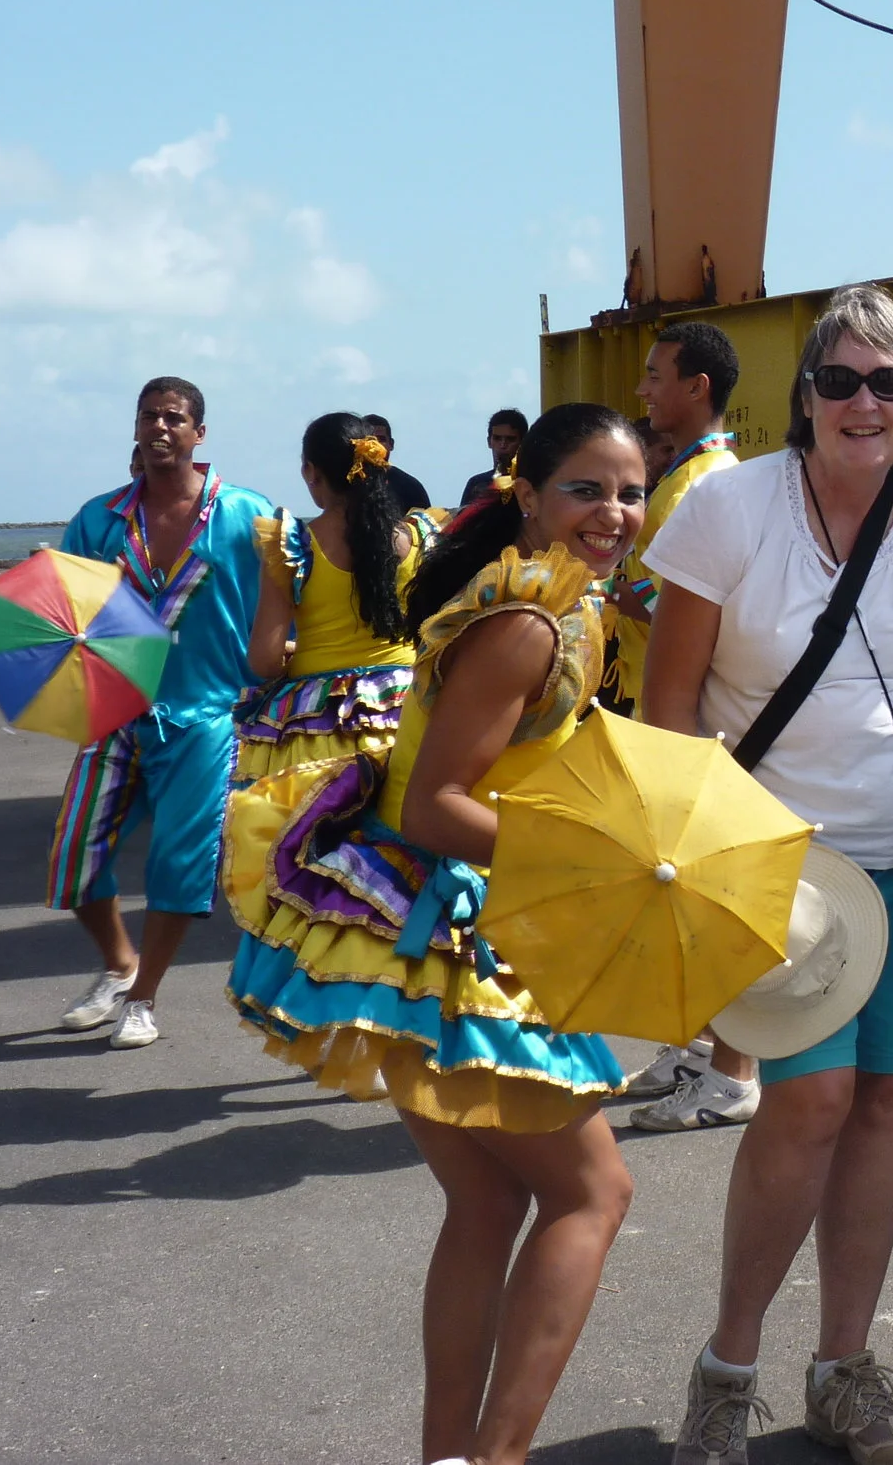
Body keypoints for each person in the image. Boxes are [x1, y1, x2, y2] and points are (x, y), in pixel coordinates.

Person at [222, 403, 646, 1465]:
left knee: (488, 1196)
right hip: (447, 925)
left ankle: (449, 1457)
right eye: (585, 490)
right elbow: (435, 807)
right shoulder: (528, 624)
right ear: (529, 496)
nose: (614, 512)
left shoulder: (542, 600)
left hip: (416, 921)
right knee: (594, 1194)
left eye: (631, 491)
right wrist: (581, 861)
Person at [643, 286, 893, 1465]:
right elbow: (670, 704)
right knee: (811, 1101)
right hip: (776, 871)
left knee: (888, 1100)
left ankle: (842, 1369)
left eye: (890, 383)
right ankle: (727, 1370)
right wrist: (692, 859)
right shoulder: (728, 512)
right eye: (839, 381)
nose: (864, 404)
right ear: (805, 398)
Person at [48, 377, 272, 1050]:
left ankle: (144, 999)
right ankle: (120, 965)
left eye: (175, 418)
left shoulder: (245, 515)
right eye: (150, 416)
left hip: (206, 715)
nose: (161, 427)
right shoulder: (101, 518)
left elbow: (284, 604)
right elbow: (67, 606)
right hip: (115, 707)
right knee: (73, 857)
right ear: (136, 427)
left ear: (199, 432)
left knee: (180, 862)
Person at [611, 322, 761, 1131]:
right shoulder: (692, 476)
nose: (644, 389)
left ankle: (732, 1070)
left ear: (697, 385)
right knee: (678, 903)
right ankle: (697, 1044)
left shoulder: (709, 482)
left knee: (702, 901)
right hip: (664, 706)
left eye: (655, 374)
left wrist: (634, 600)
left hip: (695, 720)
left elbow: (703, 597)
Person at [236, 413, 430, 784]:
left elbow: (264, 659)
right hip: (407, 710)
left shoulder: (291, 546)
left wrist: (294, 648)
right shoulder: (417, 537)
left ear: (311, 471)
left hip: (321, 724)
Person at [363, 414, 433, 512]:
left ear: (391, 444)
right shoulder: (345, 486)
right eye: (370, 440)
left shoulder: (411, 487)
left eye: (381, 440)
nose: (376, 446)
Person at [462, 408, 529, 505]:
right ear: (489, 442)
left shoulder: (532, 483)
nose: (503, 445)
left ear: (522, 443)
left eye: (510, 439)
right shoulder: (477, 484)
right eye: (497, 438)